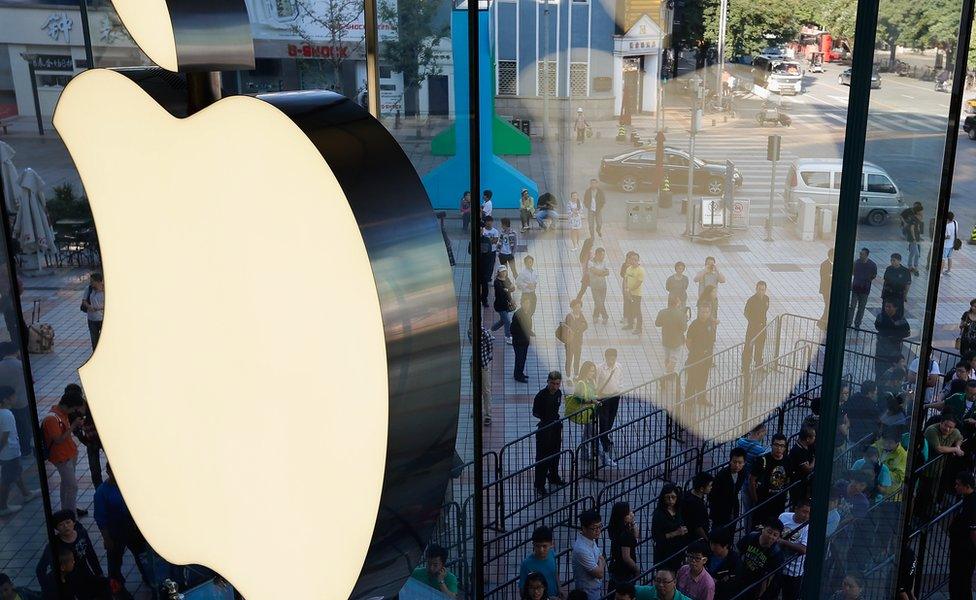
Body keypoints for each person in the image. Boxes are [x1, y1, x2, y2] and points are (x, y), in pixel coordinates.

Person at [93, 464, 148, 594]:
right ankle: (116, 587)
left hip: (134, 530)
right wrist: (107, 539)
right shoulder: (101, 493)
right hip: (115, 532)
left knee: (142, 557)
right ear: (107, 471)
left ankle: (148, 577)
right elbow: (101, 518)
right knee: (114, 563)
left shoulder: (130, 485)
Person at [36, 510, 108, 599]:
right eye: (61, 524)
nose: (66, 526)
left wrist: (99, 573)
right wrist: (47, 588)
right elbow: (40, 569)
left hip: (85, 574)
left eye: (68, 522)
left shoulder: (81, 533)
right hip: (68, 581)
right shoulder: (54, 545)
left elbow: (90, 554)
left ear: (73, 522)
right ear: (57, 528)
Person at [41, 392, 87, 516]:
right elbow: (58, 440)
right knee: (72, 487)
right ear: (68, 406)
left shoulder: (62, 414)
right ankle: (71, 516)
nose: (74, 411)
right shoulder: (52, 419)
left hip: (69, 454)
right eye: (74, 408)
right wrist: (73, 426)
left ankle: (66, 510)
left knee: (66, 485)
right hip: (61, 457)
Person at [0, 386, 38, 516]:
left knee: (16, 472)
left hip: (8, 453)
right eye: (13, 396)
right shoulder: (7, 414)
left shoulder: (3, 413)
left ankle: (26, 494)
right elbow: (5, 437)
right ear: (6, 399)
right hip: (9, 453)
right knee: (7, 479)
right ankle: (3, 506)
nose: (16, 398)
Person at [917, 414, 964, 515]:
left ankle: (929, 511)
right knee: (922, 492)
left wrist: (958, 446)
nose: (947, 429)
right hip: (925, 468)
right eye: (945, 425)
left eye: (951, 427)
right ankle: (919, 513)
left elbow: (960, 437)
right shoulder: (931, 430)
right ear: (941, 423)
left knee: (934, 492)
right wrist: (955, 449)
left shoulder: (954, 431)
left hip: (939, 469)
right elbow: (939, 449)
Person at [533, 372, 566, 495]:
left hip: (555, 427)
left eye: (557, 384)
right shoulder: (541, 396)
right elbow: (535, 412)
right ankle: (539, 484)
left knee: (555, 453)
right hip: (544, 429)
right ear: (548, 382)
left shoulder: (558, 393)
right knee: (542, 458)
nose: (554, 386)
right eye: (552, 383)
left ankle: (553, 476)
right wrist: (546, 419)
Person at [734, 519, 784, 599]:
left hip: (758, 586)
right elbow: (737, 553)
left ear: (778, 538)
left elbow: (768, 579)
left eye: (775, 535)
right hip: (743, 578)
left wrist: (758, 596)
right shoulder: (751, 537)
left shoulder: (776, 553)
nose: (771, 536)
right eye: (769, 532)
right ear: (763, 529)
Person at [750, 434, 792, 528]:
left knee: (774, 528)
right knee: (759, 528)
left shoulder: (787, 460)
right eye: (776, 445)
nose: (779, 448)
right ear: (771, 445)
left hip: (778, 502)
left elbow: (788, 479)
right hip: (763, 501)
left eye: (782, 446)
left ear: (785, 447)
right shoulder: (762, 460)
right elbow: (752, 480)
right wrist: (756, 499)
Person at [948, 470, 976, 599]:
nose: (956, 487)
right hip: (959, 549)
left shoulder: (972, 504)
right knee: (956, 581)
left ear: (967, 486)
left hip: (965, 552)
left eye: (958, 484)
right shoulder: (966, 499)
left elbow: (973, 531)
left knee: (962, 582)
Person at [0, 343, 29, 457]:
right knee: (23, 426)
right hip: (21, 402)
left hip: (4, 402)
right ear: (16, 351)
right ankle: (26, 449)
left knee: (8, 427)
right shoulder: (20, 365)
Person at [778, 499, 810, 600]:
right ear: (796, 509)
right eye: (804, 511)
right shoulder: (784, 516)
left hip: (794, 572)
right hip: (777, 566)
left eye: (809, 513)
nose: (806, 515)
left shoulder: (809, 526)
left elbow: (803, 549)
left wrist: (783, 542)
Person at [651, 484, 688, 572]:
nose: (670, 500)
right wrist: (676, 533)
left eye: (673, 497)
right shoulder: (658, 514)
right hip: (664, 553)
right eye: (667, 497)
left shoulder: (678, 509)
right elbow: (656, 537)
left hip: (678, 551)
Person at [684, 305, 717, 402]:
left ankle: (701, 398)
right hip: (696, 357)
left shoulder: (710, 323)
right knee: (692, 379)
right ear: (699, 312)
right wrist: (695, 352)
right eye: (703, 312)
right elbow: (688, 341)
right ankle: (689, 401)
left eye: (707, 312)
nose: (705, 314)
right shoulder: (694, 325)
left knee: (704, 378)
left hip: (707, 357)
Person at [596, 349, 622, 466]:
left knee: (611, 420)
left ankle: (605, 437)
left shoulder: (619, 367)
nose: (612, 360)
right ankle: (604, 446)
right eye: (609, 357)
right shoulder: (600, 368)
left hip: (615, 397)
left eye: (613, 357)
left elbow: (620, 380)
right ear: (605, 357)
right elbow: (596, 383)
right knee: (604, 422)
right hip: (604, 398)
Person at [709, 448, 746, 529]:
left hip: (733, 508)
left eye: (740, 463)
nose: (737, 465)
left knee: (731, 532)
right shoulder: (722, 475)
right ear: (730, 461)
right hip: (720, 511)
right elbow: (712, 495)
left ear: (744, 463)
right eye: (734, 462)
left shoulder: (743, 473)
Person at [572, 509, 606, 599]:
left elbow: (601, 558)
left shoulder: (591, 539)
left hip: (595, 589)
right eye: (594, 528)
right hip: (587, 593)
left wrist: (600, 563)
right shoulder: (581, 549)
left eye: (600, 527)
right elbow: (599, 574)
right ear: (584, 528)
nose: (598, 531)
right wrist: (601, 564)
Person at [874, 301, 910, 382]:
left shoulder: (900, 319)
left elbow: (907, 332)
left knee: (891, 374)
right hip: (881, 351)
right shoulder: (881, 316)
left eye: (889, 307)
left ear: (895, 308)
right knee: (879, 373)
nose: (887, 309)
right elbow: (877, 326)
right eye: (886, 306)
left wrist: (895, 336)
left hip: (893, 351)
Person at [519, 526, 559, 597]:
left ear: (551, 544)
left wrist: (560, 588)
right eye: (537, 546)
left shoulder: (552, 553)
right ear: (533, 545)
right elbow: (522, 590)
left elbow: (555, 572)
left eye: (544, 546)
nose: (541, 550)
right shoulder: (526, 564)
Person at [608, 502, 639, 591]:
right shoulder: (625, 534)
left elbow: (636, 536)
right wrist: (636, 569)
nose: (632, 514)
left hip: (615, 566)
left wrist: (633, 522)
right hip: (624, 571)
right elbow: (627, 558)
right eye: (629, 513)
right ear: (623, 516)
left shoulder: (615, 528)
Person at [468, 319, 494, 424]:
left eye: (472, 324)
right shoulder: (470, 332)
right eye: (470, 324)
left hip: (483, 365)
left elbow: (490, 348)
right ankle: (477, 410)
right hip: (473, 364)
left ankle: (488, 415)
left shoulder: (485, 334)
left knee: (486, 390)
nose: (471, 326)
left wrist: (485, 360)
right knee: (476, 388)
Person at [742, 281, 769, 371]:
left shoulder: (766, 299)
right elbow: (746, 312)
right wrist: (752, 322)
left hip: (762, 327)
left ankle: (758, 364)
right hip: (752, 327)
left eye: (763, 290)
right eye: (759, 289)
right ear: (756, 289)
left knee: (760, 346)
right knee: (748, 347)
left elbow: (765, 310)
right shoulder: (751, 300)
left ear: (765, 290)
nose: (761, 292)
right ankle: (745, 366)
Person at [848, 248, 877, 329]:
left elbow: (874, 275)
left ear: (866, 255)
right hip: (855, 288)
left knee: (861, 308)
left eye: (862, 254)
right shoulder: (856, 263)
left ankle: (857, 324)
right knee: (852, 306)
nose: (860, 255)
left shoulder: (872, 265)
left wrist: (867, 280)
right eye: (860, 253)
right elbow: (852, 272)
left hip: (865, 289)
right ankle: (849, 323)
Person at [787, 426, 816, 506]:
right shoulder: (797, 450)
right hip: (797, 483)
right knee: (797, 504)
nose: (815, 438)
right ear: (807, 439)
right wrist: (814, 460)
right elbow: (808, 469)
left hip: (806, 482)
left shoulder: (810, 446)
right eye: (813, 437)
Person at [707, 530, 739, 600]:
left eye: (715, 545)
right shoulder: (708, 554)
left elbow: (733, 581)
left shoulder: (734, 560)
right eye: (711, 543)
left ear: (726, 545)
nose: (712, 547)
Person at [656, 296, 688, 365]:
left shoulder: (662, 312)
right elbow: (684, 328)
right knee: (673, 359)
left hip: (665, 338)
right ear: (677, 303)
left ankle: (667, 369)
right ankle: (669, 372)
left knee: (667, 356)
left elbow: (657, 324)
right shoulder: (681, 315)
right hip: (676, 340)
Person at [562, 300, 588, 382]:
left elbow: (585, 325)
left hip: (578, 342)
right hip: (570, 343)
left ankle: (575, 375)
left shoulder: (581, 315)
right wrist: (579, 328)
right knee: (569, 359)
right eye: (576, 307)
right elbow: (571, 327)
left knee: (577, 359)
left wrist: (578, 328)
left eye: (579, 307)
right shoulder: (569, 316)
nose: (578, 309)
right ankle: (568, 376)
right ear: (572, 307)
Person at [683, 472, 712, 543]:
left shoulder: (689, 494)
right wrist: (706, 540)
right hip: (695, 538)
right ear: (701, 489)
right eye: (710, 486)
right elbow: (698, 527)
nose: (711, 487)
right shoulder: (696, 504)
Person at [478, 217, 499, 306]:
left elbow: (489, 247)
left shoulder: (486, 239)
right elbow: (470, 249)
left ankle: (484, 300)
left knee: (485, 282)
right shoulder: (479, 238)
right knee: (480, 283)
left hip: (485, 263)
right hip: (479, 263)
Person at [80, 272, 104, 350]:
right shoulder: (89, 289)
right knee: (94, 340)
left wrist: (98, 308)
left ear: (98, 282)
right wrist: (89, 306)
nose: (91, 283)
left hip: (102, 319)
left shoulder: (105, 291)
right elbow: (84, 301)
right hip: (92, 319)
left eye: (92, 281)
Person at [492, 266, 517, 343]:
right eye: (502, 271)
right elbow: (502, 292)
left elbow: (512, 289)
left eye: (505, 271)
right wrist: (509, 289)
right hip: (500, 305)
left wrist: (509, 289)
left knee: (502, 321)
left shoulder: (507, 279)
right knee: (507, 321)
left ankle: (489, 331)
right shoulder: (496, 282)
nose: (504, 273)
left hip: (506, 304)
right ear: (498, 272)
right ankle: (508, 337)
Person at [623, 253, 645, 336]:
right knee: (629, 309)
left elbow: (638, 283)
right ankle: (630, 324)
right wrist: (626, 288)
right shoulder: (628, 268)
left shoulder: (640, 270)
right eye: (631, 259)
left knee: (637, 311)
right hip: (628, 293)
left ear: (638, 260)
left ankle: (639, 328)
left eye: (635, 259)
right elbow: (625, 279)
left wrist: (630, 289)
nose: (633, 261)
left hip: (636, 294)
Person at [588, 248, 610, 324]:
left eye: (604, 255)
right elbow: (596, 272)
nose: (603, 256)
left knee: (600, 302)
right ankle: (605, 316)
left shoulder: (605, 261)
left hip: (603, 286)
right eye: (602, 255)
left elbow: (607, 272)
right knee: (598, 302)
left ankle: (595, 316)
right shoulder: (590, 262)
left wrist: (600, 273)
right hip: (594, 286)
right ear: (597, 254)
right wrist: (602, 272)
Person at [901, 202, 923, 275]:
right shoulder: (914, 218)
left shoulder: (919, 217)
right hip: (912, 237)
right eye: (921, 211)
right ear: (918, 211)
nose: (922, 212)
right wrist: (914, 238)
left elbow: (918, 227)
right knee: (917, 253)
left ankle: (910, 266)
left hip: (916, 237)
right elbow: (912, 228)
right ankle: (915, 267)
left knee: (912, 252)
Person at [512, 307, 532, 383]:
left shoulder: (527, 312)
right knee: (519, 359)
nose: (527, 305)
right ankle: (518, 376)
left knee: (522, 358)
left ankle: (519, 373)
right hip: (519, 342)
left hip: (525, 341)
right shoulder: (518, 314)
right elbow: (513, 328)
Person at [517, 255, 539, 319]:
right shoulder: (523, 273)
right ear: (525, 263)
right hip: (526, 295)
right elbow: (517, 282)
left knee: (532, 310)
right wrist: (527, 285)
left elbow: (536, 279)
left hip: (533, 294)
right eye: (528, 262)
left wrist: (534, 284)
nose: (530, 263)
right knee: (526, 312)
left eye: (531, 262)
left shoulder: (534, 271)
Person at [819, 248, 833, 327]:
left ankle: (822, 322)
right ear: (830, 255)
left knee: (828, 305)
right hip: (826, 289)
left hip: (830, 289)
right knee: (828, 305)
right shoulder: (824, 264)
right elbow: (824, 276)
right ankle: (822, 322)